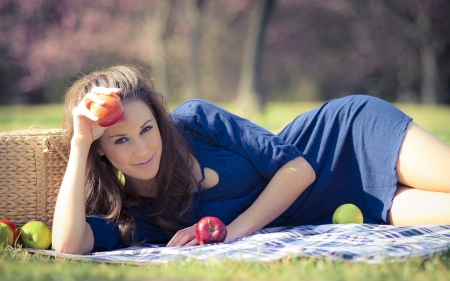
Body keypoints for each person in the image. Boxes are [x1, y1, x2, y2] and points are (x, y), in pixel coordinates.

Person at [52, 65, 450, 254]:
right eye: (121, 140)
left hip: (347, 138)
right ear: (103, 150)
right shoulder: (138, 216)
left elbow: (299, 169)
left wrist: (233, 230)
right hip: (352, 203)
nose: (142, 149)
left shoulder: (194, 120)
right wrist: (81, 144)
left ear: (160, 122)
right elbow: (68, 245)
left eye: (147, 130)